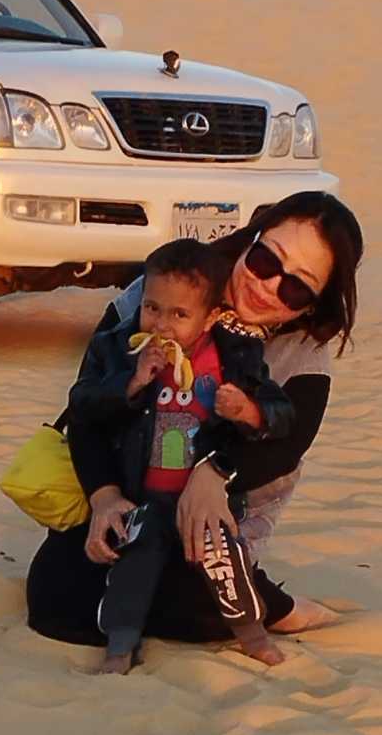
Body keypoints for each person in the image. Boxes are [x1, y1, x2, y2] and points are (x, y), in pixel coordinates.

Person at [27, 190, 364, 648]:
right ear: (252, 239)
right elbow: (87, 411)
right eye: (266, 261)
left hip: (219, 516)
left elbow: (284, 450)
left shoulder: (303, 358)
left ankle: (277, 606)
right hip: (124, 495)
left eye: (295, 288)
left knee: (198, 603)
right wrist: (104, 497)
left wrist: (214, 472)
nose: (267, 285)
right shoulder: (159, 295)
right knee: (55, 604)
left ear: (311, 306)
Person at [68, 238, 295, 674]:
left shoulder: (233, 356)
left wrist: (248, 410)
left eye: (179, 314)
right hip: (144, 497)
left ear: (209, 317)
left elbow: (282, 414)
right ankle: (119, 647)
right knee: (133, 566)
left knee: (224, 561)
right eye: (152, 308)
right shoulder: (119, 349)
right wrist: (131, 384)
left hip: (200, 500)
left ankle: (252, 634)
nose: (162, 326)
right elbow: (82, 405)